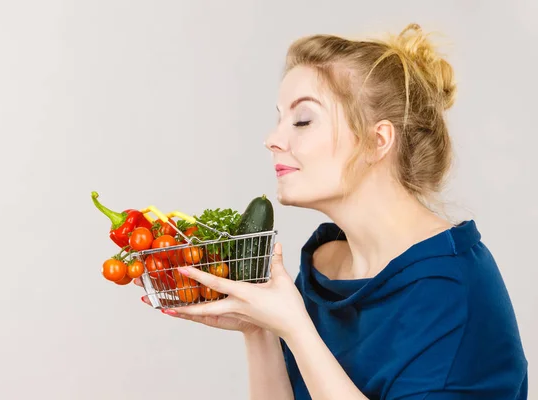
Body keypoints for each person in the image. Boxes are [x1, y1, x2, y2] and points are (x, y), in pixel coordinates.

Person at [136, 23, 528, 399]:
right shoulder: (324, 266)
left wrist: (296, 328)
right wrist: (261, 332)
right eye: (279, 118)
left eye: (303, 120)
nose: (273, 139)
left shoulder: (451, 293)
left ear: (378, 141)